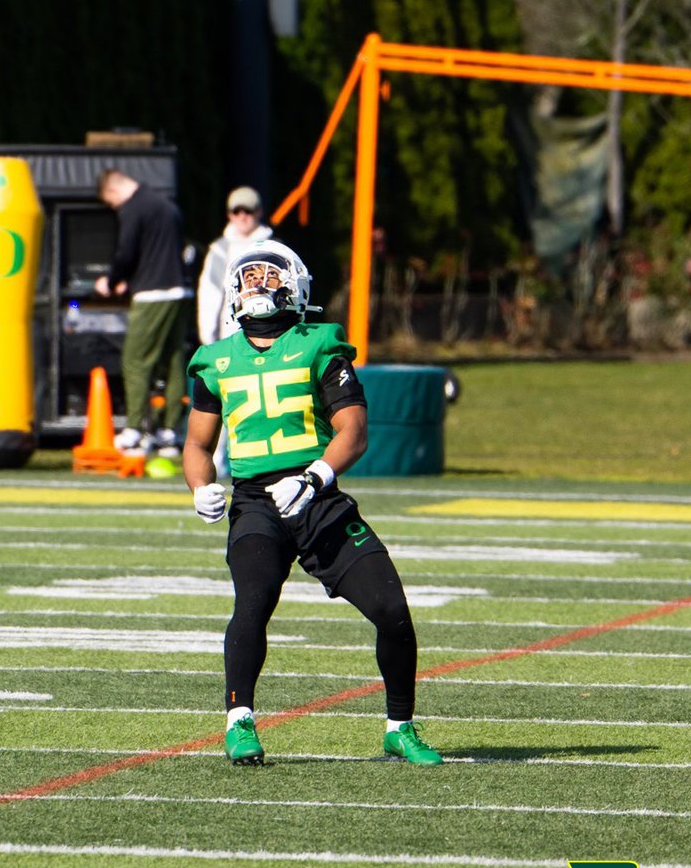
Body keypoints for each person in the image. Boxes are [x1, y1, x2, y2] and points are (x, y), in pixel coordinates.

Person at [182, 238, 443, 767]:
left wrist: (314, 477)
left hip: (318, 498)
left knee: (391, 610)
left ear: (297, 286)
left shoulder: (319, 344)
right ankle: (239, 722)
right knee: (252, 603)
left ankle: (399, 727)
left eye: (270, 275)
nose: (258, 284)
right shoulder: (216, 360)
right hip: (256, 503)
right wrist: (201, 486)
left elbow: (354, 431)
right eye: (250, 276)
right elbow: (197, 445)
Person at [95, 169, 193, 457]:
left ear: (112, 192)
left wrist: (111, 281)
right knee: (173, 359)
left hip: (153, 295)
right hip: (180, 290)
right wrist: (132, 279)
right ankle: (170, 432)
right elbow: (162, 251)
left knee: (135, 359)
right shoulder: (166, 206)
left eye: (111, 203)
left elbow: (126, 252)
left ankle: (134, 429)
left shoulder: (134, 208)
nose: (115, 208)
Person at [195, 186, 273, 476]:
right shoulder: (220, 249)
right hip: (229, 335)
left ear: (258, 212)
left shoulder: (271, 247)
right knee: (224, 398)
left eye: (248, 211)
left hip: (267, 332)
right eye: (236, 211)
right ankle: (217, 458)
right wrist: (208, 335)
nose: (242, 217)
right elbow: (209, 293)